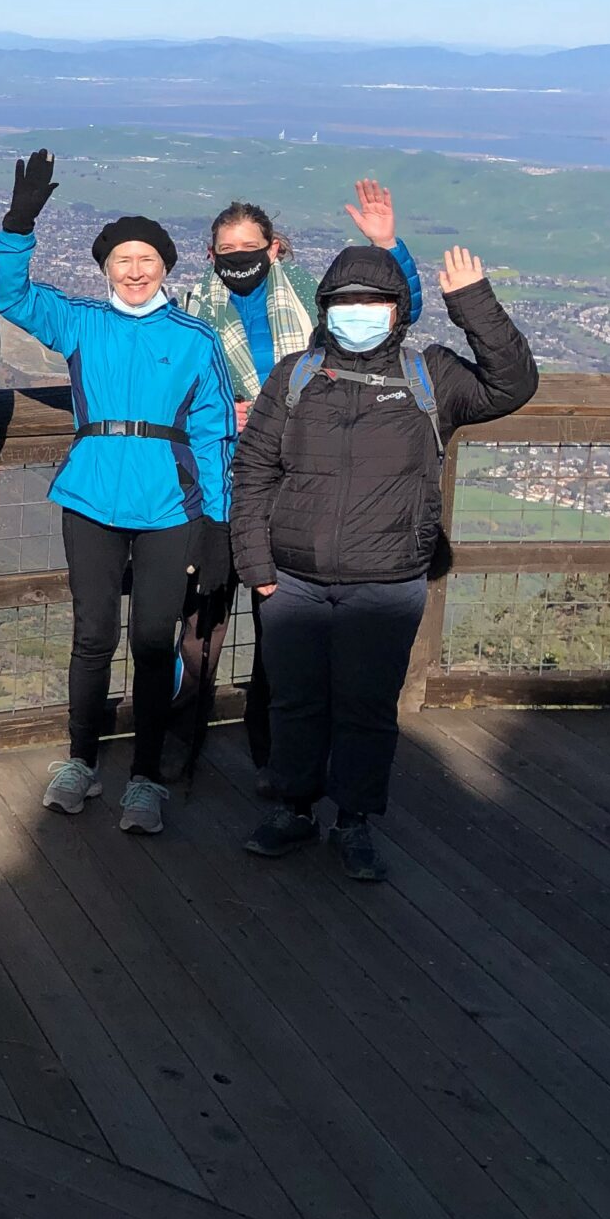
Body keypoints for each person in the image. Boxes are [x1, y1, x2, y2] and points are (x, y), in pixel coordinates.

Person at [231, 243, 537, 880]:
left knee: (366, 707)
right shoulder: (295, 376)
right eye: (344, 302)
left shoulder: (431, 377)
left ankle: (354, 821)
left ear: (398, 311)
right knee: (294, 702)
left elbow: (513, 384)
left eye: (372, 302)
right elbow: (254, 472)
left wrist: (471, 302)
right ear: (326, 309)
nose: (357, 312)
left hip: (389, 580)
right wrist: (256, 566)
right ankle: (293, 808)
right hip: (292, 579)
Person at [0, 149, 234, 836]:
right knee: (92, 634)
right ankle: (80, 762)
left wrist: (219, 522)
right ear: (105, 269)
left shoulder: (193, 338)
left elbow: (214, 431)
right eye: (122, 260)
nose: (133, 270)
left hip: (168, 506)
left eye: (146, 258)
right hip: (92, 496)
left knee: (154, 641)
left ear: (165, 267)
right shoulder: (82, 323)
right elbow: (10, 295)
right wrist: (18, 223)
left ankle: (147, 776)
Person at [175, 182, 422, 770]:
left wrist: (388, 245)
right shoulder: (189, 306)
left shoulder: (313, 295)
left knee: (277, 633)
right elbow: (173, 388)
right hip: (215, 483)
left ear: (274, 248)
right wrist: (215, 407)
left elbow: (395, 313)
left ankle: (273, 757)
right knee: (199, 624)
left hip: (293, 483)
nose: (239, 257)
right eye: (226, 249)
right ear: (210, 256)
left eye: (249, 246)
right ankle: (183, 745)